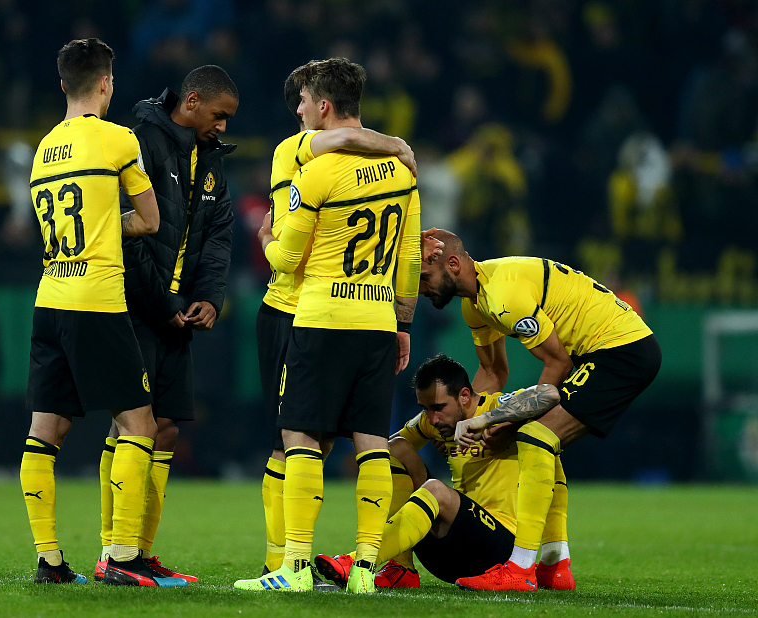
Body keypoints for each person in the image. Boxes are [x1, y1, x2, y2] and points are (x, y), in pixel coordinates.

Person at [234, 57, 421, 594]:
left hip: (314, 313)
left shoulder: (311, 169)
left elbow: (288, 256)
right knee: (370, 441)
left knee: (297, 439)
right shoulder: (401, 171)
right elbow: (410, 255)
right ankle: (364, 569)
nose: (297, 110)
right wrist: (403, 323)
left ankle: (291, 565)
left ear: (323, 105)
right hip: (376, 317)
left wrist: (266, 241)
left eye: (303, 101)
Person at [17, 39, 184, 589]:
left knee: (44, 431)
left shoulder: (44, 147)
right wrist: (113, 226)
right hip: (97, 301)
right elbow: (150, 220)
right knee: (139, 424)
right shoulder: (117, 139)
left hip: (49, 300)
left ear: (63, 84)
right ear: (106, 83)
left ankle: (49, 561)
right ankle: (122, 556)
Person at [418, 230, 661, 591]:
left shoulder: (503, 296)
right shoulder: (476, 303)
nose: (421, 288)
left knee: (534, 437)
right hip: (606, 351)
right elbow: (493, 373)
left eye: (425, 277)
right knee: (544, 441)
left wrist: (505, 422)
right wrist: (460, 426)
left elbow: (557, 363)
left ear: (452, 264)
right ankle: (554, 566)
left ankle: (520, 568)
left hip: (619, 349)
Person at [95, 65, 238, 583]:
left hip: (176, 313)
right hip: (137, 307)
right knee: (131, 425)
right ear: (192, 101)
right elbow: (124, 228)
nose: (223, 126)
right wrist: (162, 300)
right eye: (219, 115)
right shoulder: (142, 142)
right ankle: (115, 552)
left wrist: (209, 298)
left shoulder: (212, 161)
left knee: (167, 428)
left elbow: (219, 235)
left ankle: (140, 551)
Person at [314, 354, 575, 590]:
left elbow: (549, 394)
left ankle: (360, 560)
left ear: (464, 396)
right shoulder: (433, 424)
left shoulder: (494, 408)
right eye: (425, 408)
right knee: (396, 449)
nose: (433, 418)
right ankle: (401, 567)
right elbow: (387, 447)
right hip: (451, 551)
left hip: (501, 548)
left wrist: (484, 421)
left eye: (439, 407)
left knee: (436, 490)